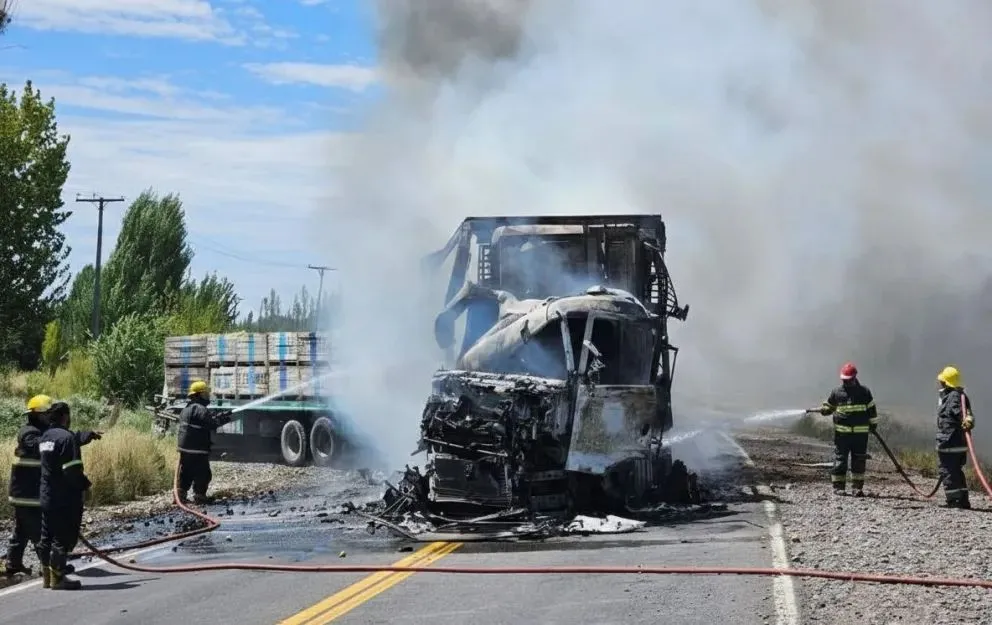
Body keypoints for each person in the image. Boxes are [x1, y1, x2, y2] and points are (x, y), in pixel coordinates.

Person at [38, 401, 100, 590]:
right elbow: (72, 470)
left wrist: (87, 434)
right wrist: (85, 486)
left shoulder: (46, 437)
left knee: (47, 535)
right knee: (63, 536)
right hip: (65, 497)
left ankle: (48, 577)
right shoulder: (67, 438)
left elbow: (69, 439)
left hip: (47, 494)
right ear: (65, 416)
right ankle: (59, 578)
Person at [1, 395, 53, 579]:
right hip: (27, 494)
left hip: (26, 493)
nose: (50, 416)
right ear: (38, 415)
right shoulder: (28, 433)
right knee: (39, 531)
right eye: (48, 413)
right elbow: (37, 446)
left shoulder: (43, 431)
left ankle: (13, 565)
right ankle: (50, 568)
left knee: (22, 530)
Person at [819, 361, 878, 497]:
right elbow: (829, 406)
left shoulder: (864, 392)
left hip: (860, 436)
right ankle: (839, 487)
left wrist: (873, 425)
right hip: (842, 435)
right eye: (844, 380)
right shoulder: (837, 392)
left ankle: (857, 488)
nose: (846, 383)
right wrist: (825, 409)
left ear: (855, 378)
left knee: (859, 461)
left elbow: (872, 410)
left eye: (849, 380)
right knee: (840, 460)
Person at [177, 380, 232, 504]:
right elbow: (211, 424)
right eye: (205, 394)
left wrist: (216, 417)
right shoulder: (201, 409)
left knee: (186, 472)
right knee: (203, 473)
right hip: (198, 449)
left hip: (184, 449)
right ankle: (200, 496)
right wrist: (222, 420)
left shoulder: (186, 409)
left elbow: (201, 422)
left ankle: (180, 495)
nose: (207, 397)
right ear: (198, 395)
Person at [935, 366, 974, 509]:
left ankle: (954, 500)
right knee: (956, 470)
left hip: (950, 441)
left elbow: (961, 414)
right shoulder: (959, 395)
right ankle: (963, 499)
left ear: (946, 382)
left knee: (948, 470)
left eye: (942, 381)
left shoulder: (953, 397)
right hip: (957, 442)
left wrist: (967, 420)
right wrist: (968, 420)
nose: (940, 383)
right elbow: (966, 414)